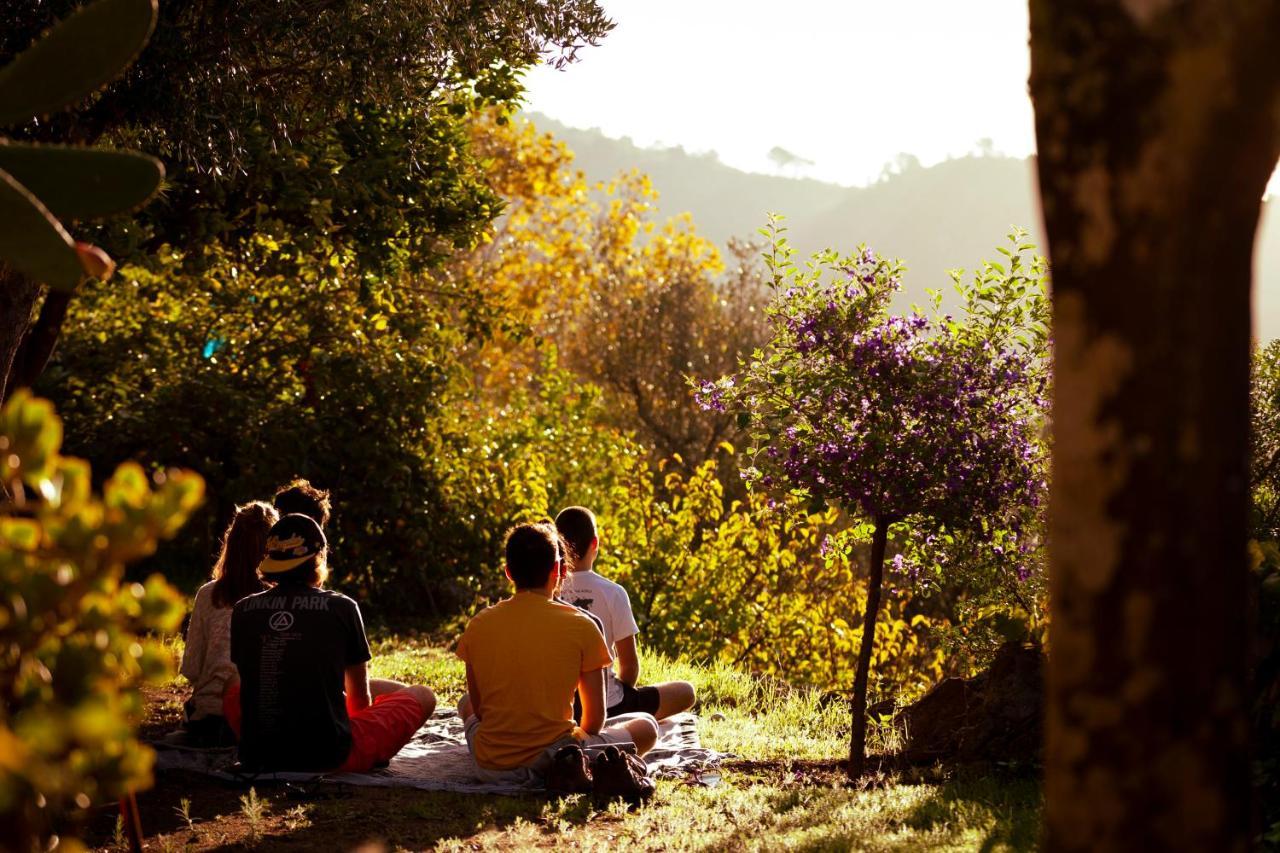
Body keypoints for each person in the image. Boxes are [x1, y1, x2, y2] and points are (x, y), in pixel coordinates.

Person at [224, 513, 435, 771]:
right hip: (329, 755)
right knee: (424, 695)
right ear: (319, 559)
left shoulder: (243, 610)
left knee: (233, 684)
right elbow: (359, 700)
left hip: (258, 754)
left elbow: (249, 685)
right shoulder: (342, 607)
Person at [456, 522, 659, 784]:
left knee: (466, 702)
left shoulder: (480, 623)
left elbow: (481, 711)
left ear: (508, 573)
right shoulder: (581, 625)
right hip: (555, 759)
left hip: (490, 765)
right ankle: (578, 767)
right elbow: (594, 721)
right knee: (646, 726)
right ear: (558, 569)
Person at [555, 506, 696, 721]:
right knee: (686, 692)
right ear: (595, 544)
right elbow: (629, 667)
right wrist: (622, 692)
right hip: (610, 707)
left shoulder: (546, 591)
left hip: (560, 711)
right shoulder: (613, 592)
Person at [167, 501, 278, 747]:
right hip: (258, 720)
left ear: (231, 544)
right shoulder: (283, 600)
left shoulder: (208, 595)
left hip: (208, 718)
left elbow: (192, 669)